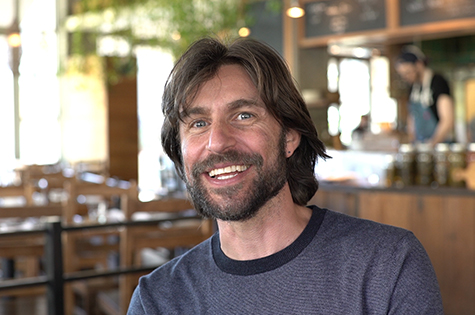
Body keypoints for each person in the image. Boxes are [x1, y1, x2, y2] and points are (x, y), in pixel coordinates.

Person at [128, 37, 443, 314]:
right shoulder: (158, 301)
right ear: (180, 152)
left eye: (244, 115)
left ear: (290, 137)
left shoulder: (387, 267)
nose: (217, 141)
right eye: (198, 123)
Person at [395, 45, 454, 146]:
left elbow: (447, 120)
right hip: (420, 145)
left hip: (441, 145)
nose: (406, 77)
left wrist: (432, 144)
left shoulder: (438, 82)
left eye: (408, 72)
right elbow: (412, 118)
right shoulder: (412, 88)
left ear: (419, 64)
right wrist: (412, 142)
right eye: (403, 75)